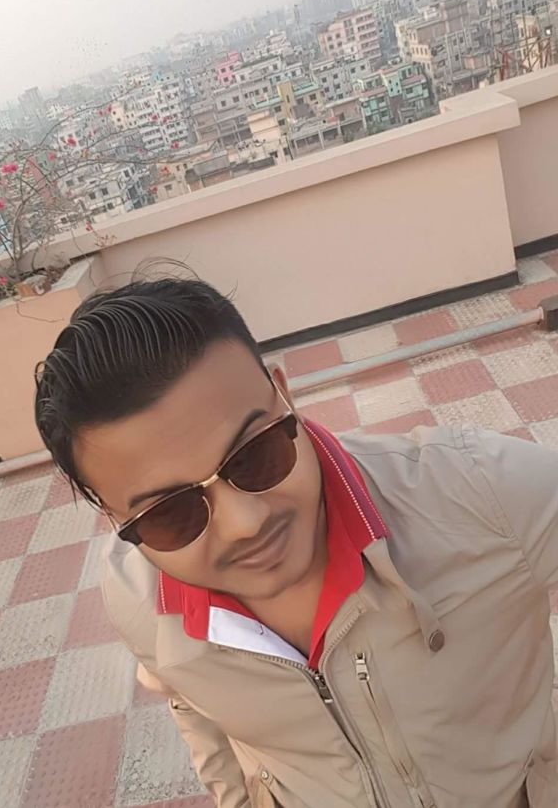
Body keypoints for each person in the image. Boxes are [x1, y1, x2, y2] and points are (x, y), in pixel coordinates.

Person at [34, 273, 558, 808]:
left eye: (254, 455)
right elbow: (186, 697)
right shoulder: (136, 598)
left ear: (283, 394)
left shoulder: (476, 493)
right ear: (114, 516)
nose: (245, 523)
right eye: (172, 512)